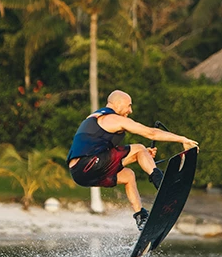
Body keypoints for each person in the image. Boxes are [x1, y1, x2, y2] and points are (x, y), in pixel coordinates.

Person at [67, 90, 199, 230]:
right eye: (129, 106)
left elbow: (102, 151)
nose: (130, 110)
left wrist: (143, 154)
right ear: (118, 104)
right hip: (89, 163)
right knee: (139, 148)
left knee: (128, 175)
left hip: (79, 174)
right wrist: (182, 139)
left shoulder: (96, 117)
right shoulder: (113, 119)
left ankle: (141, 217)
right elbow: (151, 133)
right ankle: (162, 185)